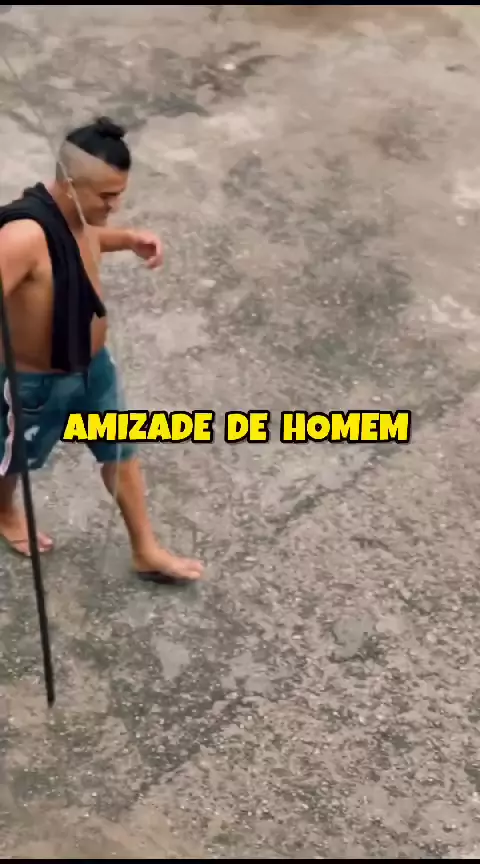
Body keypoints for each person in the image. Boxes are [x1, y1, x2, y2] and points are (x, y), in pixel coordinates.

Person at [0, 115, 204, 584]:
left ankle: (145, 550)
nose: (115, 205)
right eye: (107, 196)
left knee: (121, 450)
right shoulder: (22, 237)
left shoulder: (79, 216)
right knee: (14, 460)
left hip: (94, 370)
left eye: (120, 194)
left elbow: (87, 239)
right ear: (69, 185)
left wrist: (128, 239)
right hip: (36, 384)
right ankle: (5, 512)